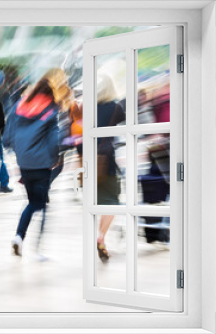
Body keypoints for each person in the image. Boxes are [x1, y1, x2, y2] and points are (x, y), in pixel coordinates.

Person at [4, 68, 72, 256]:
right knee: (40, 204)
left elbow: (7, 136)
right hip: (42, 163)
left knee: (33, 202)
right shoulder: (52, 109)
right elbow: (54, 138)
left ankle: (19, 237)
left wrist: (18, 150)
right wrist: (55, 159)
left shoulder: (20, 104)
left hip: (24, 163)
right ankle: (38, 247)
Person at [95, 74, 126, 263]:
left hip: (91, 161)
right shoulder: (116, 107)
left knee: (102, 203)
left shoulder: (90, 107)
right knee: (112, 202)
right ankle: (100, 237)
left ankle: (102, 240)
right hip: (108, 161)